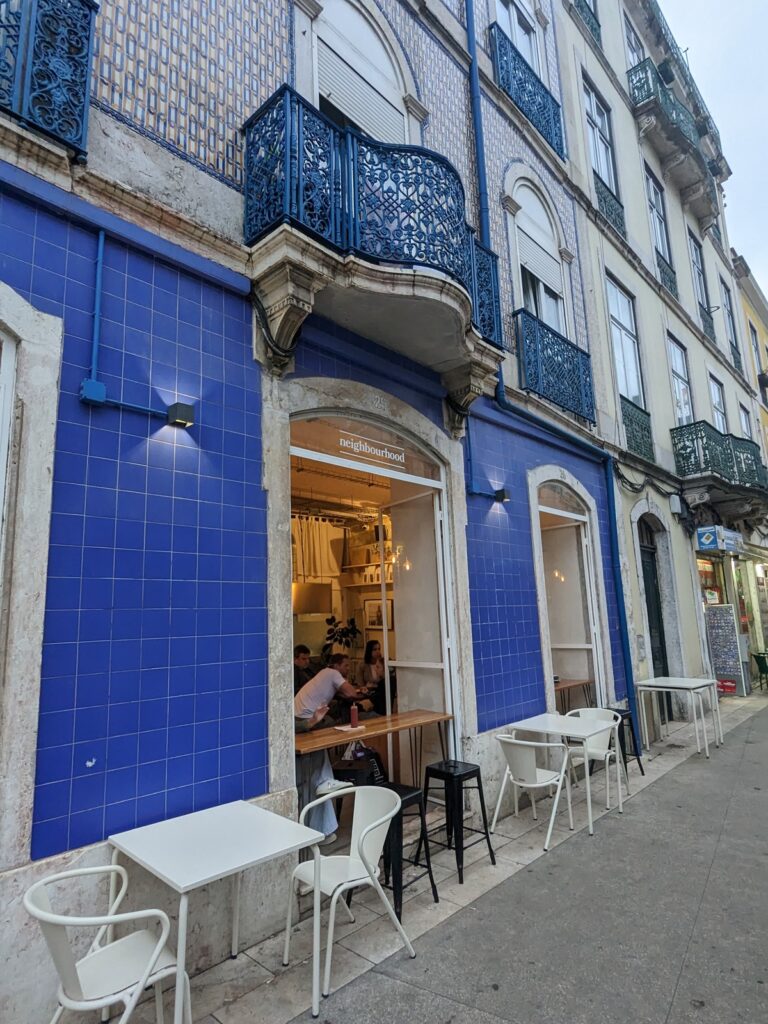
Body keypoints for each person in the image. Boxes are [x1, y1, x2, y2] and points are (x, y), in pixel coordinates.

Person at [294, 653, 362, 842]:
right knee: (333, 728)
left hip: (301, 719)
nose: (348, 669)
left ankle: (327, 778)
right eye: (346, 666)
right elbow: (351, 693)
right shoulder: (332, 673)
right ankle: (329, 775)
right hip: (303, 722)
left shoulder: (323, 674)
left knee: (329, 727)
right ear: (337, 665)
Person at [355, 639, 395, 716]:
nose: (377, 651)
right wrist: (363, 688)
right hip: (369, 691)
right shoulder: (362, 664)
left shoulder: (383, 662)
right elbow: (360, 683)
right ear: (369, 651)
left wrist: (382, 674)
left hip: (380, 692)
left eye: (379, 649)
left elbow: (389, 678)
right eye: (374, 649)